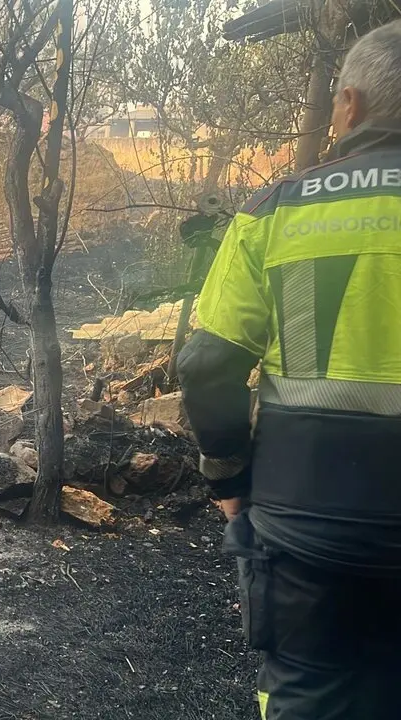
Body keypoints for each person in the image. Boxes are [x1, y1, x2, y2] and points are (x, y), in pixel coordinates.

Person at [177, 19, 401, 720]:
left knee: (309, 695)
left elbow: (208, 363)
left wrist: (230, 480)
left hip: (304, 516)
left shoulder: (276, 211)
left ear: (351, 106)